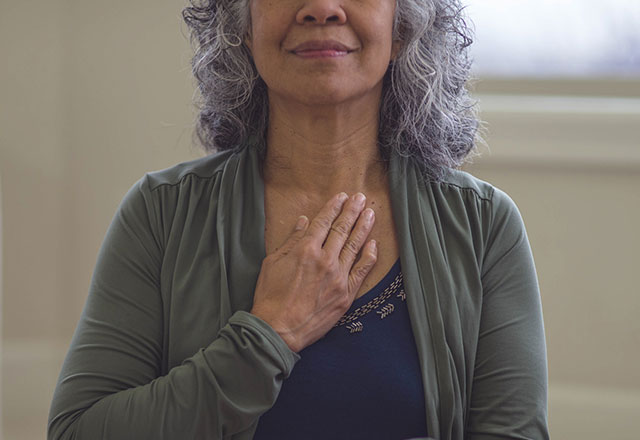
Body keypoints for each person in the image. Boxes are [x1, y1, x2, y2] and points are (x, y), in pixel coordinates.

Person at [48, 0, 550, 439]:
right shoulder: (161, 212)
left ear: (402, 29)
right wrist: (271, 334)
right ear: (242, 26)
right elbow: (79, 431)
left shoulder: (484, 225)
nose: (321, 7)